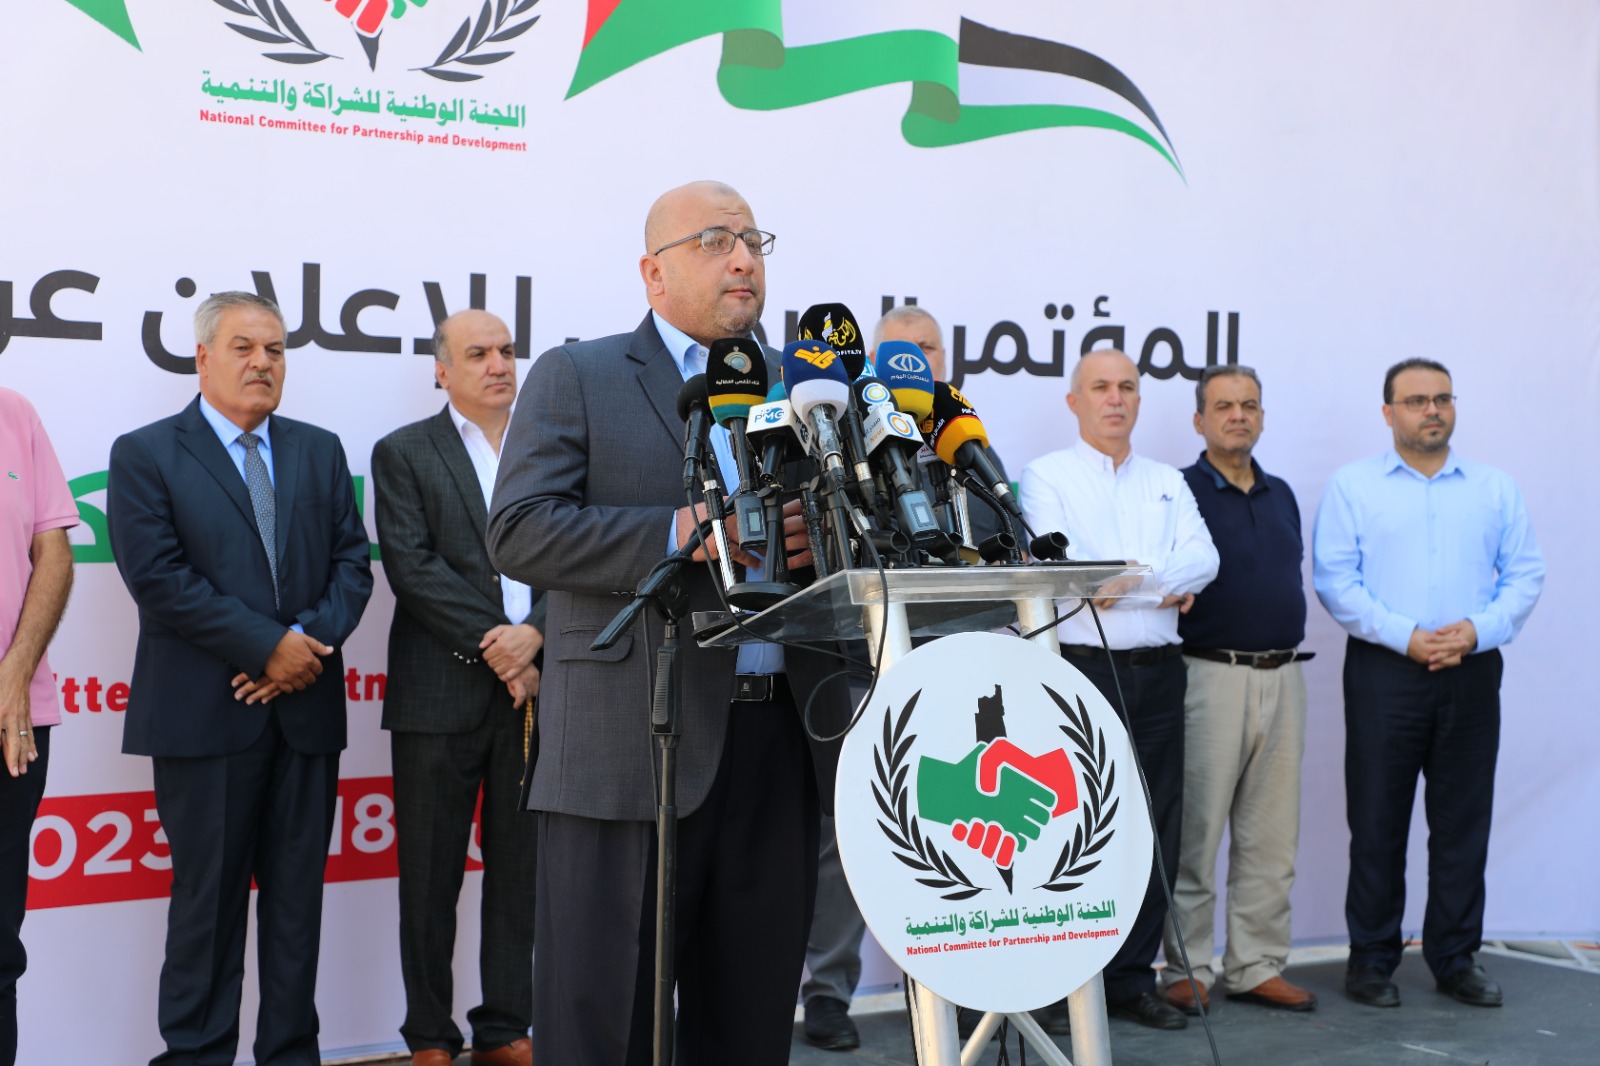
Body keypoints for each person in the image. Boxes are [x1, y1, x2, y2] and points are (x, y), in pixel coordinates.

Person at [486, 180, 840, 1066]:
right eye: (717, 240)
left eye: (754, 239)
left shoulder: (811, 388)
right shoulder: (581, 374)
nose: (743, 258)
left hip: (778, 743)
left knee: (749, 1027)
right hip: (629, 745)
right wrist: (676, 532)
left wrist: (826, 539)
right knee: (608, 1028)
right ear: (654, 273)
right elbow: (519, 529)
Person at [106, 292, 373, 1066]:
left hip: (306, 714)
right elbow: (159, 579)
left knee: (296, 911)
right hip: (205, 718)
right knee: (208, 909)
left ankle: (290, 1054)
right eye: (245, 348)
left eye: (276, 350)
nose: (263, 363)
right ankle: (195, 1056)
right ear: (202, 357)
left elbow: (352, 565)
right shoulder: (147, 453)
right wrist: (266, 648)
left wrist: (300, 648)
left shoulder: (319, 450)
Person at [800, 304, 1014, 1051]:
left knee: (957, 828)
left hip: (954, 671)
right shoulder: (836, 439)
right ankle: (828, 992)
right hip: (862, 670)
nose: (918, 360)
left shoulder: (964, 444)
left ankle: (962, 983)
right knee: (846, 839)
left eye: (929, 350)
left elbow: (999, 547)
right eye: (903, 350)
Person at [1313, 358, 1542, 1010]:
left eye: (1442, 398)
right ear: (1389, 413)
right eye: (1416, 400)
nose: (1432, 410)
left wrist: (1475, 630)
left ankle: (1455, 958)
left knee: (1463, 823)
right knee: (1377, 823)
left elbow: (1525, 574)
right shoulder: (1353, 486)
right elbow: (1335, 580)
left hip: (1472, 669)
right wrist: (1406, 635)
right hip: (1386, 671)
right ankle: (1371, 960)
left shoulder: (1495, 488)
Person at [1018, 348, 1219, 1032]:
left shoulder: (1167, 480)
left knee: (1154, 827)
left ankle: (1130, 979)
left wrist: (1132, 578)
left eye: (1127, 387)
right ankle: (1057, 983)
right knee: (1072, 826)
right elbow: (1073, 575)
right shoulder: (1045, 476)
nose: (1115, 398)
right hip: (1081, 671)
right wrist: (1160, 582)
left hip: (1161, 674)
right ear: (1074, 401)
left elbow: (1205, 559)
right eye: (1100, 387)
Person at [371, 310, 543, 1066]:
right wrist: (506, 647)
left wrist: (538, 633)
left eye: (506, 350)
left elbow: (578, 557)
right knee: (429, 877)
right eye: (478, 354)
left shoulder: (550, 452)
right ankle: (429, 1037)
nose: (498, 364)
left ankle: (504, 1027)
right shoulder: (405, 452)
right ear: (442, 371)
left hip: (537, 693)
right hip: (440, 695)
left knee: (520, 872)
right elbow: (413, 568)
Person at [1157, 365, 1316, 1017]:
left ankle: (1256, 965)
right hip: (1209, 676)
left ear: (1262, 416)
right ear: (1200, 420)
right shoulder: (1178, 490)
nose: (1238, 416)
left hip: (1285, 677)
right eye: (1224, 406)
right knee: (1196, 834)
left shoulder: (1282, 494)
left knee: (1271, 837)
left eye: (1249, 405)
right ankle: (1186, 967)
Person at [0, 389, 76, 1066]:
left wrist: (15, 674)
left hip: (13, 720)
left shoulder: (14, 413)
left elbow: (52, 553)